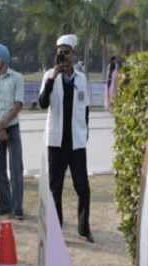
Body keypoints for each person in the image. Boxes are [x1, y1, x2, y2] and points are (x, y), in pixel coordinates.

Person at [38, 34, 93, 243]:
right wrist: (52, 78)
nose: (63, 56)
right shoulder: (49, 76)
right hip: (56, 142)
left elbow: (85, 108)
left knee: (83, 187)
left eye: (67, 52)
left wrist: (85, 133)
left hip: (76, 142)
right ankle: (56, 231)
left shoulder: (81, 78)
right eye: (60, 52)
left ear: (73, 53)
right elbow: (43, 103)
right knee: (55, 188)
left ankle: (84, 229)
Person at [0, 42, 25, 219]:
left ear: (5, 57)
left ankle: (18, 208)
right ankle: (4, 205)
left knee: (16, 168)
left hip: (12, 128)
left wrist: (5, 123)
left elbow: (19, 103)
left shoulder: (17, 77)